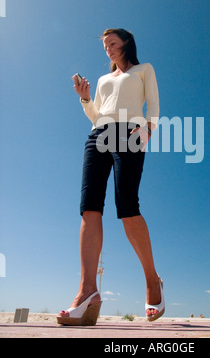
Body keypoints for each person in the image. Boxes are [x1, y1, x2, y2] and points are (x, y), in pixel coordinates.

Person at [57, 28, 164, 326]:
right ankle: (87, 291)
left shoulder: (143, 70)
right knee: (89, 208)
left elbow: (153, 103)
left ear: (127, 43)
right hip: (97, 136)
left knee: (127, 206)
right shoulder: (104, 80)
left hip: (129, 134)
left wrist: (148, 129)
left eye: (112, 43)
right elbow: (97, 116)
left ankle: (152, 281)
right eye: (105, 46)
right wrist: (85, 99)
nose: (108, 49)